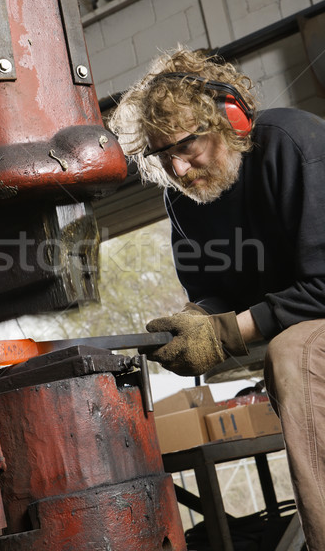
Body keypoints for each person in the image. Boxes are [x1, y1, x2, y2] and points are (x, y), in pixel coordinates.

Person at [109, 46, 325, 550]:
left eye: (186, 147)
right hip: (300, 324)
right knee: (287, 350)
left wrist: (229, 332)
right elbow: (212, 292)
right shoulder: (185, 198)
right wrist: (194, 321)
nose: (178, 169)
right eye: (163, 157)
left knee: (293, 352)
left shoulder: (295, 144)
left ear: (230, 120)